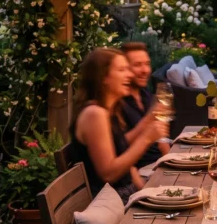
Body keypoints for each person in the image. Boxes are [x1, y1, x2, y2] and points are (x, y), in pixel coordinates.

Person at [70, 47, 166, 202]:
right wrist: (146, 138)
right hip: (111, 202)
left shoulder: (112, 110)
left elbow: (128, 164)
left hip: (126, 193)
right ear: (103, 78)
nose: (129, 75)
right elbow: (108, 173)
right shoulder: (94, 114)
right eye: (121, 70)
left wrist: (147, 192)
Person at [119, 41, 171, 169]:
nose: (145, 70)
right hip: (141, 171)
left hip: (159, 165)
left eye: (147, 64)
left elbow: (161, 139)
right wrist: (148, 120)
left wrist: (171, 161)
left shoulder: (145, 94)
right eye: (137, 65)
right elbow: (118, 147)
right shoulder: (118, 102)